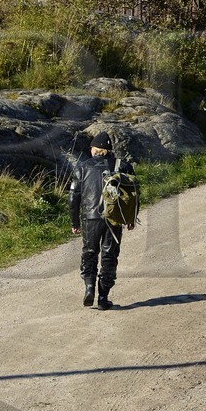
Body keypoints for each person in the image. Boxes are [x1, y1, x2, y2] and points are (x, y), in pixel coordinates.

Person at [69, 129, 135, 310]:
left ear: (94, 149)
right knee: (109, 257)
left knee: (89, 253)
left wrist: (75, 222)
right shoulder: (123, 166)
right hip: (114, 219)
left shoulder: (82, 167)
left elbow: (73, 198)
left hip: (90, 219)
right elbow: (132, 195)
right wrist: (130, 219)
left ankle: (89, 287)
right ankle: (103, 298)